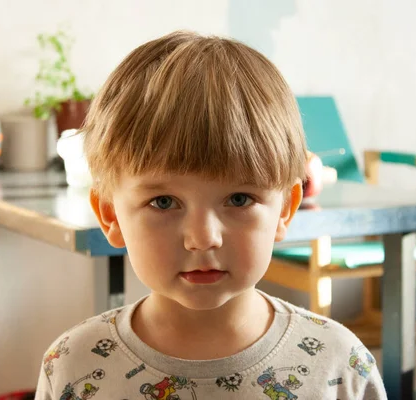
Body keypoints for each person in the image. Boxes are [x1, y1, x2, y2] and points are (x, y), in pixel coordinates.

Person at [34, 30, 386, 399]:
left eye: (238, 199)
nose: (203, 237)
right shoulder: (74, 366)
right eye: (164, 202)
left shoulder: (338, 365)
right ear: (111, 216)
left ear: (285, 208)